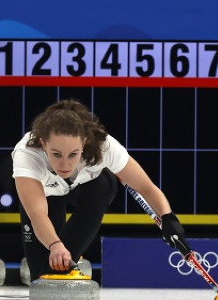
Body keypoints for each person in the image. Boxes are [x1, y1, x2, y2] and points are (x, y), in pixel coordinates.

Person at [13, 99, 187, 281]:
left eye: (73, 154)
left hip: (87, 188)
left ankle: (68, 256)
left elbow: (146, 187)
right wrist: (55, 245)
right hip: (46, 194)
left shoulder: (105, 146)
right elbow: (37, 215)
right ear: (43, 143)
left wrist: (168, 218)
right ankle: (53, 256)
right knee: (39, 277)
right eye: (56, 154)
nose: (65, 164)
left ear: (84, 142)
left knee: (103, 185)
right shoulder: (27, 155)